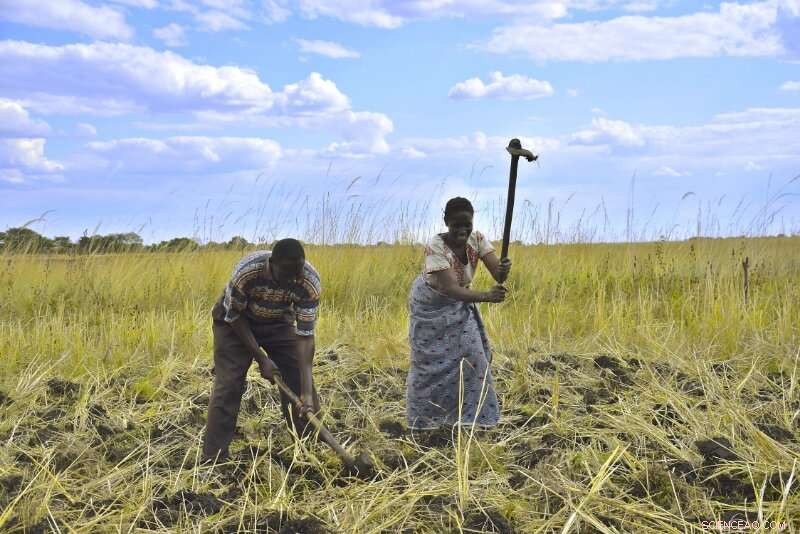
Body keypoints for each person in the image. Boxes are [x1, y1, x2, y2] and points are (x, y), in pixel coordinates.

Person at [202, 238, 321, 463]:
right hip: (236, 323)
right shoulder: (248, 272)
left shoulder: (309, 281)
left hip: (277, 321)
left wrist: (305, 391)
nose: (293, 280)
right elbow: (233, 316)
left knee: (298, 377)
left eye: (297, 273)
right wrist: (261, 357)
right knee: (229, 383)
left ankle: (308, 451)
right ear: (271, 265)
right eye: (287, 275)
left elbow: (305, 337)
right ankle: (214, 458)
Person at [406, 197, 511, 432]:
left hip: (460, 304)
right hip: (431, 306)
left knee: (474, 358)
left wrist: (503, 269)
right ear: (446, 222)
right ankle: (426, 423)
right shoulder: (435, 247)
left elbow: (498, 274)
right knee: (429, 364)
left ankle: (474, 420)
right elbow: (450, 289)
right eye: (456, 225)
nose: (462, 231)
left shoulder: (477, 239)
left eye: (467, 225)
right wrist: (486, 296)